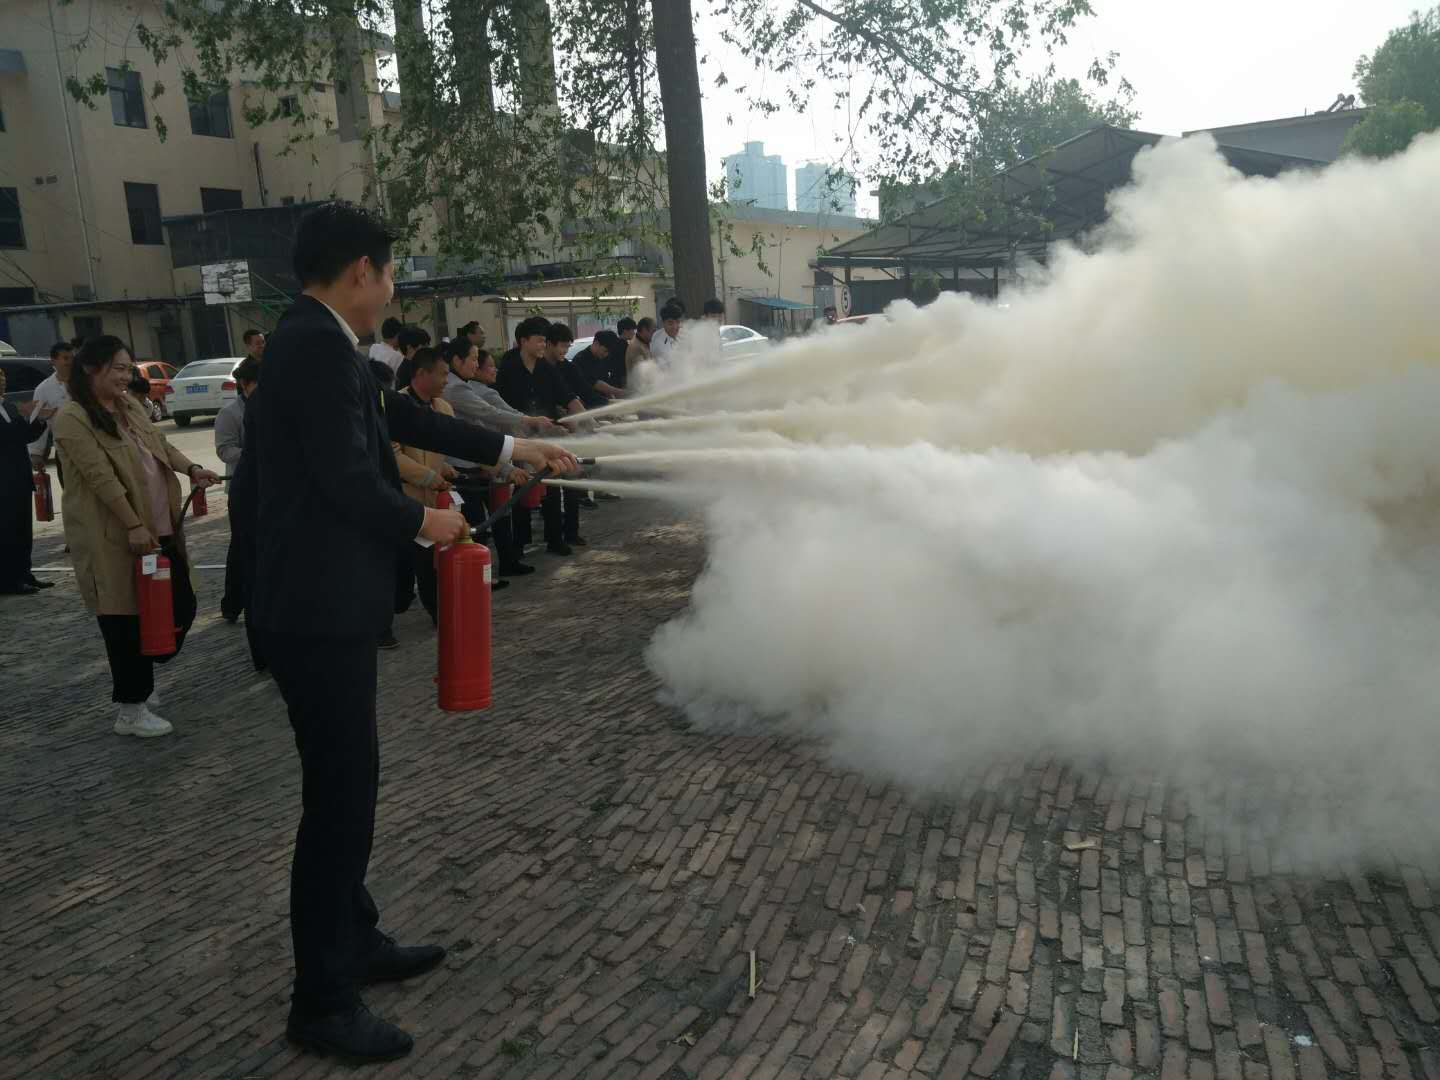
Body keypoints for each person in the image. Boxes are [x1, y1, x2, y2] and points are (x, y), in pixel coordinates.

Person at [250, 201, 576, 1064]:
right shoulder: (311, 348)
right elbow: (348, 481)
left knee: (350, 786)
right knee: (339, 799)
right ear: (361, 270)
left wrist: (511, 448)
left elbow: (408, 420)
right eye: (391, 271)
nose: (392, 287)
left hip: (326, 609)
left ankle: (353, 938)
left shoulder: (324, 344)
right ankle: (322, 1001)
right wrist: (426, 523)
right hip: (315, 611)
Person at [52, 336, 220, 737]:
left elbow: (161, 445)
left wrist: (192, 468)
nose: (126, 376)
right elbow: (100, 478)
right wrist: (132, 525)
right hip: (114, 538)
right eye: (119, 369)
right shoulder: (72, 417)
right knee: (124, 621)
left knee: (181, 605)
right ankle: (131, 709)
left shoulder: (129, 406)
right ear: (91, 369)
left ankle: (142, 676)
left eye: (128, 368)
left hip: (159, 528)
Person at [496, 317, 585, 555]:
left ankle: (555, 539)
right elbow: (500, 407)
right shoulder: (508, 369)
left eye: (545, 341)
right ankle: (520, 542)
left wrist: (586, 420)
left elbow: (567, 396)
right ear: (523, 341)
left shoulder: (547, 368)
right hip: (521, 440)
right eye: (538, 340)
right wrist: (516, 433)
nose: (542, 345)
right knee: (523, 488)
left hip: (548, 437)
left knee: (553, 487)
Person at [392, 347, 464, 621]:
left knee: (428, 559)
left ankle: (438, 611)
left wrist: (442, 468)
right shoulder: (396, 406)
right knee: (401, 562)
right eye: (443, 374)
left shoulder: (443, 408)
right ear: (421, 374)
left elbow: (452, 446)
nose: (447, 380)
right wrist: (428, 475)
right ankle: (388, 617)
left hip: (433, 500)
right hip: (403, 498)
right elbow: (393, 456)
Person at [0, 367, 56, 595]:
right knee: (7, 532)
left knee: (23, 530)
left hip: (20, 477)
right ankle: (9, 580)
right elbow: (8, 435)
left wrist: (39, 420)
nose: (2, 381)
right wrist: (25, 417)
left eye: (3, 377)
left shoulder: (8, 406)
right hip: (3, 481)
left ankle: (25, 574)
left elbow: (24, 435)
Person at [216, 356, 261, 623]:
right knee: (240, 549)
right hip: (243, 488)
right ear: (243, 384)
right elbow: (224, 450)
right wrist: (254, 454)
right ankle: (232, 603)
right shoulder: (230, 414)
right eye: (256, 383)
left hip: (267, 487)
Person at [29, 341, 74, 481]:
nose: (70, 362)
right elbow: (38, 421)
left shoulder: (85, 382)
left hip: (91, 447)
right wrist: (36, 453)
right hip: (64, 450)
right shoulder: (43, 389)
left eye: (72, 358)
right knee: (70, 489)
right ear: (53, 361)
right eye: (65, 358)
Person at [571, 330, 626, 400]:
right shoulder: (580, 359)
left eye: (608, 352)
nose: (606, 355)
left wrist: (611, 396)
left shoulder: (602, 358)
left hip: (603, 400)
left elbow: (605, 380)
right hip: (586, 401)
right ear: (596, 343)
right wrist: (619, 392)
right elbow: (595, 383)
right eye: (605, 351)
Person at [391, 325, 431, 392]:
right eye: (424, 347)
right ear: (409, 348)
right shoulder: (407, 373)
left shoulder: (415, 367)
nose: (427, 350)